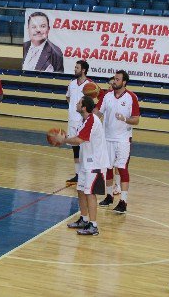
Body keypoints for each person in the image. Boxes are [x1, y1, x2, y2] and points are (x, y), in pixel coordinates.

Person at [53, 95, 110, 236]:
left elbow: (78, 140)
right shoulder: (83, 121)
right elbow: (77, 140)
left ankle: (94, 225)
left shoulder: (92, 120)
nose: (76, 104)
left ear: (84, 107)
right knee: (80, 190)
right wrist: (65, 140)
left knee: (90, 192)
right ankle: (84, 219)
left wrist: (63, 140)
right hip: (86, 162)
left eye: (79, 103)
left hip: (95, 163)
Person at [95, 69, 139, 213]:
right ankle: (109, 196)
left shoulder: (131, 97)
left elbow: (136, 120)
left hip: (123, 139)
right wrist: (88, 111)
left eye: (117, 79)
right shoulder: (107, 96)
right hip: (107, 138)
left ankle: (123, 201)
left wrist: (125, 119)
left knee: (122, 168)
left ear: (124, 82)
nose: (114, 81)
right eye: (114, 79)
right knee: (107, 168)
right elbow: (97, 113)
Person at [65, 60, 92, 185]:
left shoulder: (90, 85)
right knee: (75, 149)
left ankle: (86, 173)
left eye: (77, 67)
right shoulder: (71, 84)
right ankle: (77, 174)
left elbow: (92, 103)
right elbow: (68, 97)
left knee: (84, 148)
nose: (75, 69)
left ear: (83, 70)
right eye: (75, 67)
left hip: (83, 121)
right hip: (72, 120)